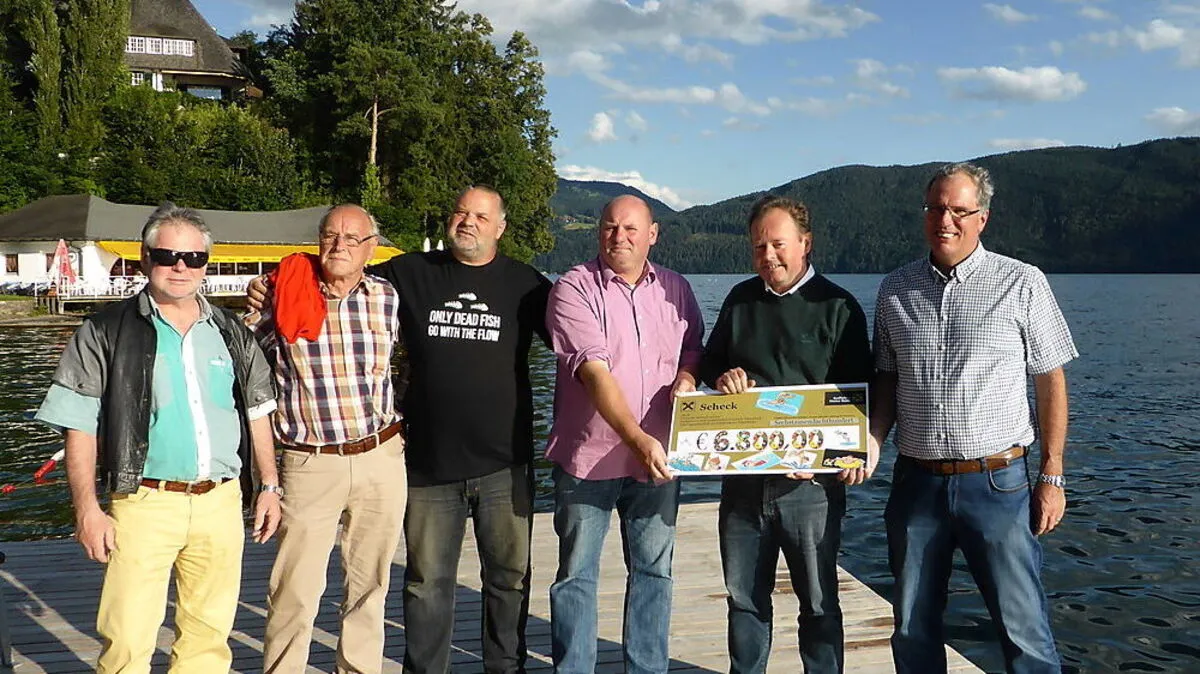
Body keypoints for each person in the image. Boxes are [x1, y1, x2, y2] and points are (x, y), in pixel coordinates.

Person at [250, 186, 551, 673]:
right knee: (422, 583)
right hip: (422, 464)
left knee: (506, 579)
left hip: (501, 462)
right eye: (460, 212)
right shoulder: (405, 276)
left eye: (481, 216)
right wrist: (278, 279)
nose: (468, 222)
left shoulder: (526, 284)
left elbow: (577, 342)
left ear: (500, 227)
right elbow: (337, 264)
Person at [35, 202, 280, 673]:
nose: (181, 267)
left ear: (206, 263)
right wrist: (87, 509)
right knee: (127, 638)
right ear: (145, 258)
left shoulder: (231, 331)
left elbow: (257, 411)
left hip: (221, 501)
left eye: (194, 258)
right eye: (168, 256)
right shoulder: (103, 331)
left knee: (209, 639)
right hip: (143, 501)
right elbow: (79, 425)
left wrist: (268, 485)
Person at [870, 162, 1078, 674]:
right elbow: (887, 382)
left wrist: (1052, 474)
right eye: (936, 208)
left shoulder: (1022, 282)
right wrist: (870, 442)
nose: (945, 220)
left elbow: (1050, 381)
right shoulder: (894, 290)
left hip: (998, 484)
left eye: (959, 211)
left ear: (981, 218)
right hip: (916, 485)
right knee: (913, 627)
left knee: (1023, 630)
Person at [698, 195, 873, 673]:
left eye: (778, 244)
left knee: (818, 604)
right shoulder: (739, 300)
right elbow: (710, 361)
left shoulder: (838, 306)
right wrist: (722, 377)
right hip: (743, 480)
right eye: (759, 246)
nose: (768, 255)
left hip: (810, 489)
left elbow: (858, 396)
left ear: (805, 243)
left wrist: (835, 459)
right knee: (744, 600)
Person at [544, 194, 704, 674]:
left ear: (652, 235)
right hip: (588, 459)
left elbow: (693, 348)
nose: (620, 237)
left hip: (660, 458)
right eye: (611, 227)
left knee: (655, 572)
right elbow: (594, 373)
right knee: (576, 575)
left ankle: (647, 668)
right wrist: (636, 438)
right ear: (599, 232)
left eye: (631, 229)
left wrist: (688, 377)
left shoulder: (677, 288)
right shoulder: (573, 287)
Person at [250, 205, 406, 673]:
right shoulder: (283, 293)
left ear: (371, 248)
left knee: (369, 586)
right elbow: (245, 373)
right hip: (309, 461)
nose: (340, 245)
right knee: (294, 589)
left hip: (381, 455)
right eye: (331, 236)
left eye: (352, 238)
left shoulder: (386, 297)